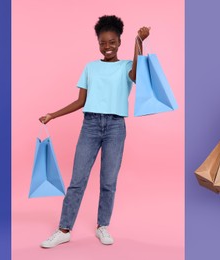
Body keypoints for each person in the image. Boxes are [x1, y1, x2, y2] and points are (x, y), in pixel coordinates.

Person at [38, 15, 150, 248]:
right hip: (90, 125)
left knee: (108, 180)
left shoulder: (128, 66)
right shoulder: (90, 67)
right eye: (102, 42)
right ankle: (64, 229)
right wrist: (53, 115)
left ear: (119, 42)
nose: (107, 47)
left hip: (116, 126)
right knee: (77, 180)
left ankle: (102, 226)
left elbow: (138, 74)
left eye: (112, 42)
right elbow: (81, 101)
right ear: (98, 43)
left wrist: (140, 41)